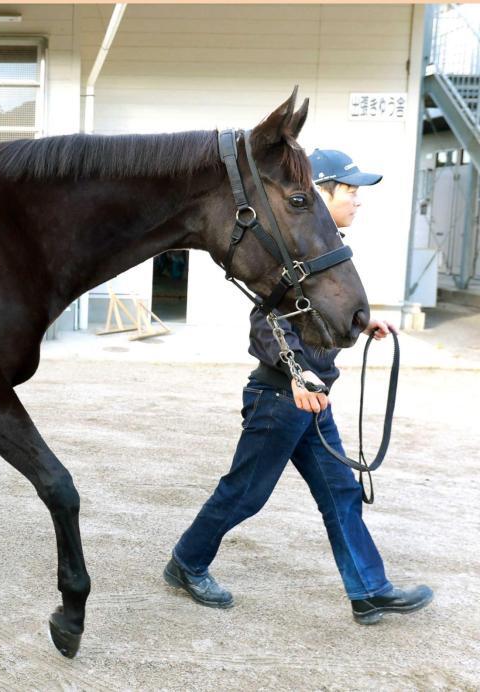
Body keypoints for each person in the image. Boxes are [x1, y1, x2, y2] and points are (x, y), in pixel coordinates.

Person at [164, 149, 433, 625]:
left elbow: (314, 312)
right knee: (245, 493)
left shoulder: (322, 250)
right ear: (321, 193)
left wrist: (362, 322)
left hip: (313, 400)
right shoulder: (288, 251)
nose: (357, 200)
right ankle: (187, 563)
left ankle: (369, 590)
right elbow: (266, 315)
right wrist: (296, 373)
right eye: (349, 190)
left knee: (340, 493)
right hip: (281, 397)